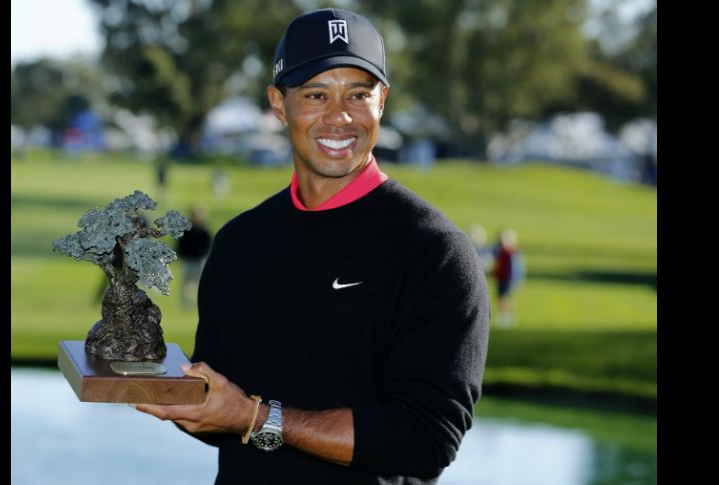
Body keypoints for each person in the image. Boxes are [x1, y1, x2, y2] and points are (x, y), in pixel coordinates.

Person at [132, 9, 490, 484]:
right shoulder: (240, 242)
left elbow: (425, 440)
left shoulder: (435, 253)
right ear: (278, 105)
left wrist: (256, 419)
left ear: (383, 101)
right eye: (316, 94)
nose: (339, 117)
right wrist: (188, 400)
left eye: (358, 95)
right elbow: (230, 415)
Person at [177, 206, 213, 309]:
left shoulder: (204, 231)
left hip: (199, 261)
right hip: (188, 261)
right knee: (186, 283)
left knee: (200, 284)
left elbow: (209, 246)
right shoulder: (186, 231)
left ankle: (199, 304)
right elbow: (181, 245)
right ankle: (185, 304)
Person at [491, 227, 526, 327]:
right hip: (502, 278)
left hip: (508, 279)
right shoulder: (501, 252)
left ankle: (506, 317)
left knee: (504, 298)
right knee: (502, 298)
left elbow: (514, 268)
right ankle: (504, 317)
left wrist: (514, 279)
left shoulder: (511, 253)